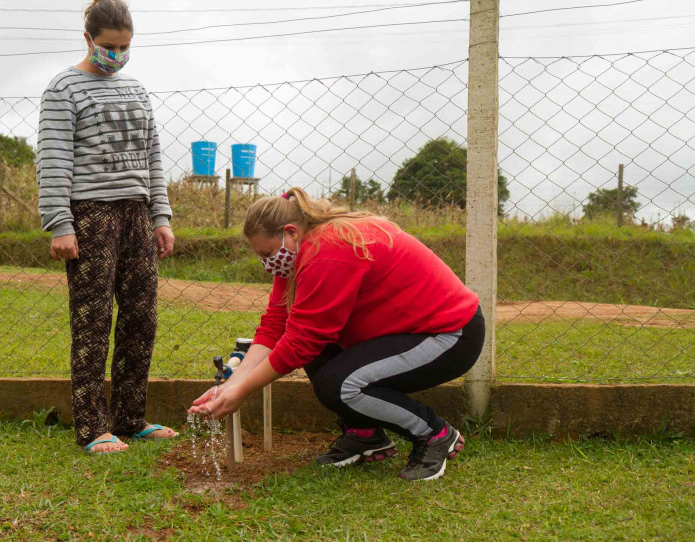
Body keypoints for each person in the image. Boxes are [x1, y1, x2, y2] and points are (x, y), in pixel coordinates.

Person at [189, 187, 485, 480]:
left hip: (449, 334)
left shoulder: (328, 252)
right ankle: (365, 435)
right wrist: (230, 386)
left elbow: (300, 344)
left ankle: (434, 433)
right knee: (326, 363)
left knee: (340, 385)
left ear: (290, 232)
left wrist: (242, 391)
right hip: (404, 332)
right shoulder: (298, 254)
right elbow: (276, 327)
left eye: (267, 253)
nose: (267, 264)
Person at [36, 0, 178, 454]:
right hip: (90, 214)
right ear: (88, 37)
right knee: (93, 320)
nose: (116, 54)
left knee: (142, 317)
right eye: (109, 45)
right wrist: (59, 222)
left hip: (138, 213)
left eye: (123, 46)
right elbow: (53, 159)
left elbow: (152, 155)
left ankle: (131, 417)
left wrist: (161, 215)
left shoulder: (137, 89)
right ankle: (93, 427)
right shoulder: (63, 89)